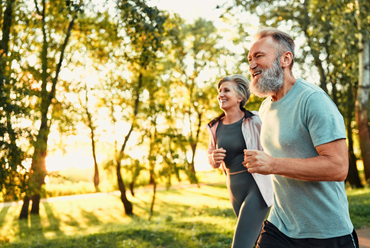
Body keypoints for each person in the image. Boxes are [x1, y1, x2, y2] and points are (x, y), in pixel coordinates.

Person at [244, 27, 359, 248]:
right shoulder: (266, 107)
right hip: (280, 226)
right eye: (249, 59)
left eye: (259, 56)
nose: (251, 65)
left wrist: (274, 164)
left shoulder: (313, 100)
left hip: (326, 232)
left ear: (285, 59)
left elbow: (338, 167)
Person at [206, 74, 274, 248]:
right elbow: (211, 158)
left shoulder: (255, 120)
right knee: (257, 241)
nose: (221, 94)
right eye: (219, 91)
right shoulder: (214, 126)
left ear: (240, 97)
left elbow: (272, 149)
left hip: (256, 187)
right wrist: (213, 158)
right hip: (234, 189)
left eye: (226, 90)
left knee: (240, 245)